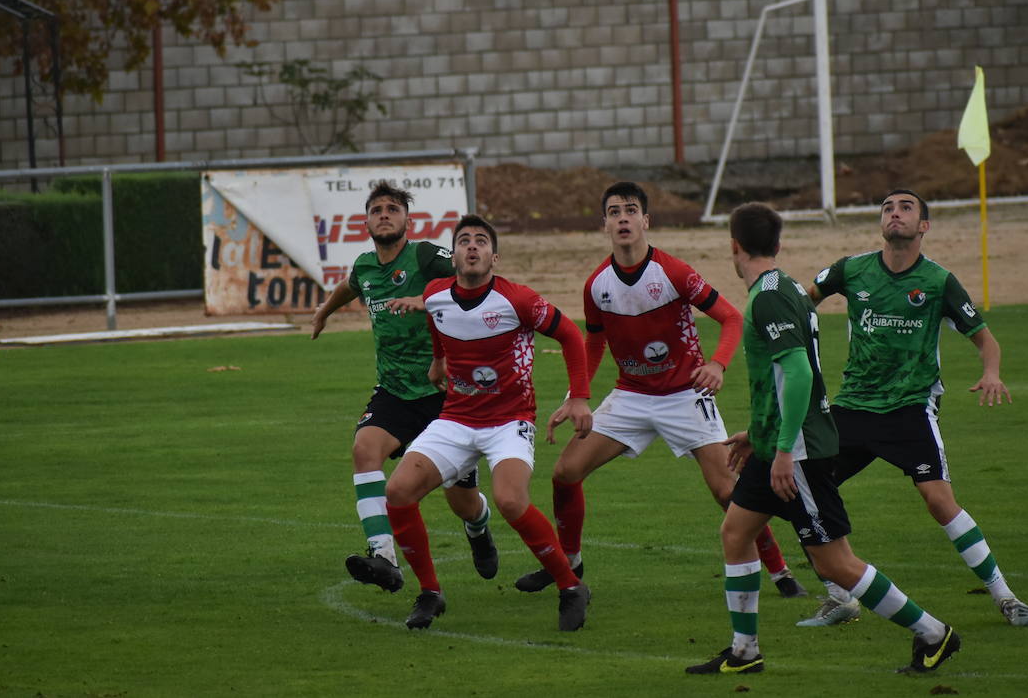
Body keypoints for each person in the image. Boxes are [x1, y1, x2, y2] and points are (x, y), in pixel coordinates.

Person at [687, 201, 960, 676]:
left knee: (836, 563)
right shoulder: (787, 286)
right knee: (735, 532)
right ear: (777, 244)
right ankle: (745, 651)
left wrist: (784, 449)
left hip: (798, 452)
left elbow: (798, 374)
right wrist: (760, 434)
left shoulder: (769, 297)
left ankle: (934, 632)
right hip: (777, 444)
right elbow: (786, 377)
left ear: (734, 246)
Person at [516, 181, 805, 597]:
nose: (623, 219)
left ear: (646, 221)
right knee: (565, 472)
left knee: (727, 490)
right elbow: (594, 341)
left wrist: (717, 364)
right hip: (631, 397)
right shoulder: (597, 284)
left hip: (686, 396)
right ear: (605, 225)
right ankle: (570, 562)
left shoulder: (673, 272)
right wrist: (576, 395)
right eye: (614, 212)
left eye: (631, 211)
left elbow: (731, 318)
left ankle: (780, 572)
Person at [800, 188, 1028, 628]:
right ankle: (840, 598)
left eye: (906, 208)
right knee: (806, 493)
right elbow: (803, 301)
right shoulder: (851, 269)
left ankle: (1006, 597)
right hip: (853, 406)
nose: (895, 213)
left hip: (910, 408)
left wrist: (992, 373)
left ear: (923, 226)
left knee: (938, 500)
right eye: (887, 207)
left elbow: (986, 340)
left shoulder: (938, 281)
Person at [383, 215, 594, 631]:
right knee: (398, 491)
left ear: (494, 257)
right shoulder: (435, 294)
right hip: (457, 418)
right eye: (464, 240)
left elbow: (571, 334)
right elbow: (436, 321)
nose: (472, 246)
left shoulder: (518, 300)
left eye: (481, 241)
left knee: (510, 501)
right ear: (454, 256)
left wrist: (580, 397)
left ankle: (571, 587)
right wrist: (439, 361)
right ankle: (430, 593)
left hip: (509, 420)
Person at [311, 182, 497, 592]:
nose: (384, 214)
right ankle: (383, 558)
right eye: (376, 209)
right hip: (394, 391)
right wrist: (324, 311)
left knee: (462, 502)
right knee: (364, 449)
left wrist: (425, 299)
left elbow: (475, 279)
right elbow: (351, 286)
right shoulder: (365, 266)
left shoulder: (426, 256)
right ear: (366, 222)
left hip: (444, 393)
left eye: (392, 208)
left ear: (407, 221)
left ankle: (479, 527)